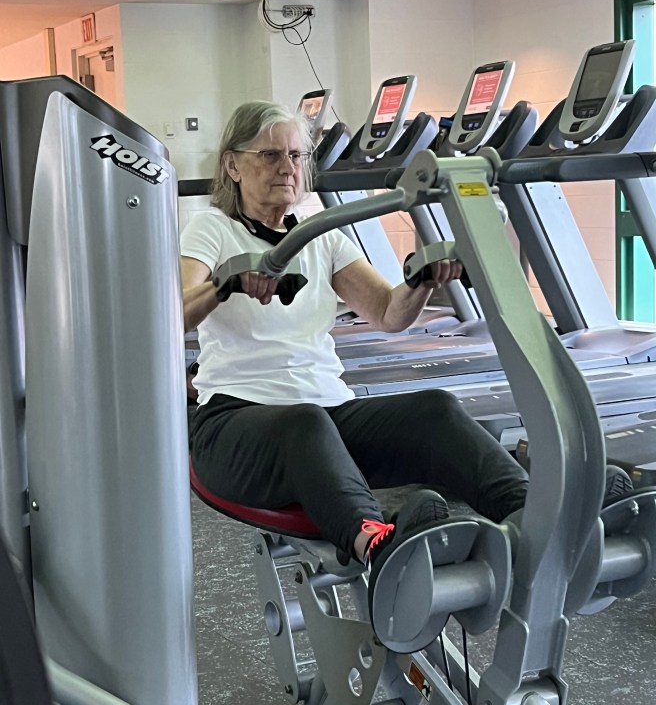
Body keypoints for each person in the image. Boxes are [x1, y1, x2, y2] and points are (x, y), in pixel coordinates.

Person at [180, 99, 536, 605]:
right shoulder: (211, 228)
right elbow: (173, 314)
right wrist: (227, 282)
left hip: (328, 417)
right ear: (233, 165)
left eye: (297, 156)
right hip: (234, 425)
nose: (288, 167)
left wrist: (422, 280)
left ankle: (534, 510)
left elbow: (389, 312)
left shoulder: (319, 233)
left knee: (435, 410)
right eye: (271, 155)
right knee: (304, 421)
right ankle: (379, 546)